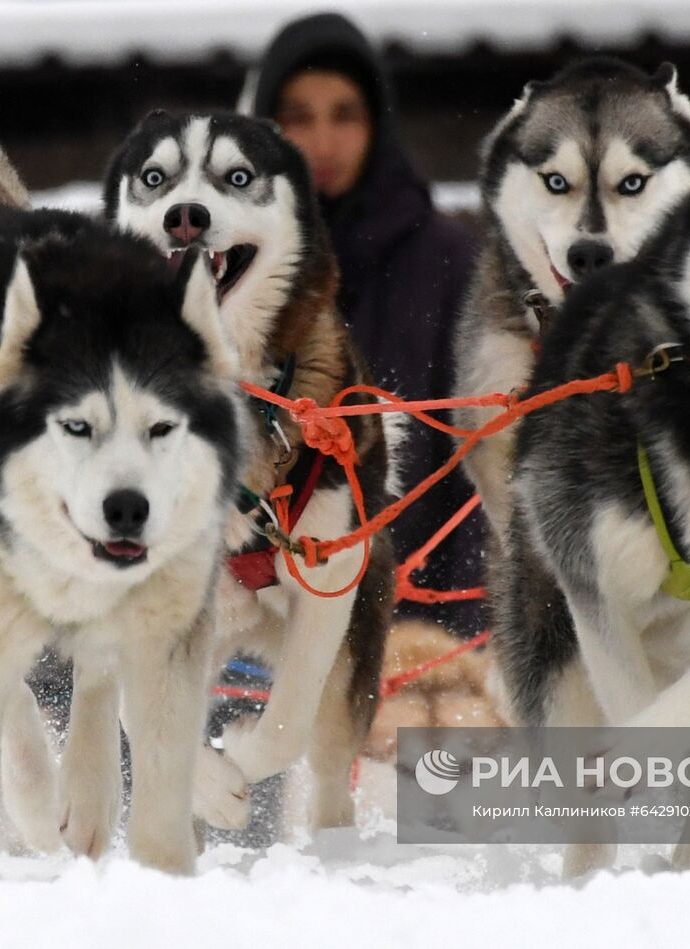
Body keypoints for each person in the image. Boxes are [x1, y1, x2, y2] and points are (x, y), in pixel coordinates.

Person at [244, 12, 485, 635]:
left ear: (379, 126)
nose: (322, 143)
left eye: (344, 115)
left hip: (412, 629)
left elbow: (478, 468)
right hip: (254, 631)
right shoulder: (231, 269)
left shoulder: (449, 265)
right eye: (298, 116)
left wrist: (460, 634)